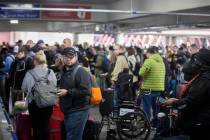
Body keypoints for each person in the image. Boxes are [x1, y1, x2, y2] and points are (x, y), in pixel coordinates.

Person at [164, 48, 210, 140]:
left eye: (197, 60)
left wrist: (174, 103)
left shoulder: (205, 79)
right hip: (195, 122)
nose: (194, 63)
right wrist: (178, 101)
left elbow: (191, 101)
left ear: (202, 62)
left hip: (198, 125)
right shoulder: (203, 76)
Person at [57, 47, 91, 140]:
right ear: (62, 57)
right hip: (69, 110)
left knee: (73, 137)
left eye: (71, 57)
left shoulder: (81, 72)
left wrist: (67, 92)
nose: (68, 59)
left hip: (78, 110)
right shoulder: (65, 70)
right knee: (71, 136)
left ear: (76, 57)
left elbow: (86, 91)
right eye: (66, 57)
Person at [22, 50, 57, 140]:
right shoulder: (51, 72)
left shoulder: (30, 73)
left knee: (36, 126)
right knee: (45, 125)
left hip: (34, 103)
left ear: (35, 61)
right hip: (48, 102)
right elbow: (55, 85)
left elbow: (24, 88)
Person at [139, 46, 165, 127]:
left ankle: (146, 125)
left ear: (149, 53)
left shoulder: (149, 61)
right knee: (156, 108)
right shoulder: (162, 62)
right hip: (158, 89)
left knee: (146, 108)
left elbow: (141, 72)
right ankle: (155, 125)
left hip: (148, 89)